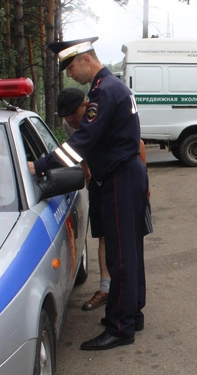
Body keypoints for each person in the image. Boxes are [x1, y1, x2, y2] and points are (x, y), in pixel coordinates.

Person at [28, 37, 148, 351]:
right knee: (129, 250)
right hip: (125, 174)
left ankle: (120, 327)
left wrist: (39, 165)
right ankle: (132, 313)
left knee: (119, 255)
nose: (70, 75)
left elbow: (81, 143)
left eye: (70, 67)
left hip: (120, 176)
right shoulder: (109, 88)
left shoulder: (105, 91)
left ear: (85, 59)